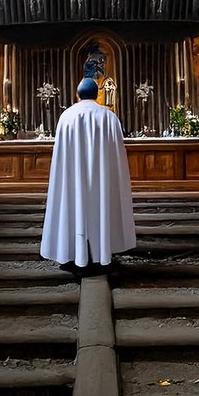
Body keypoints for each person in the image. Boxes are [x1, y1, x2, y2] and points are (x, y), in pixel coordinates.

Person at [40, 77, 136, 272]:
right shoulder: (109, 117)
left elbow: (61, 157)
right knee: (101, 208)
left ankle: (72, 252)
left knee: (73, 206)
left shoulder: (66, 116)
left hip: (72, 179)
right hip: (102, 181)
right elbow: (117, 155)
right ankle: (102, 252)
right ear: (97, 93)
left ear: (78, 94)